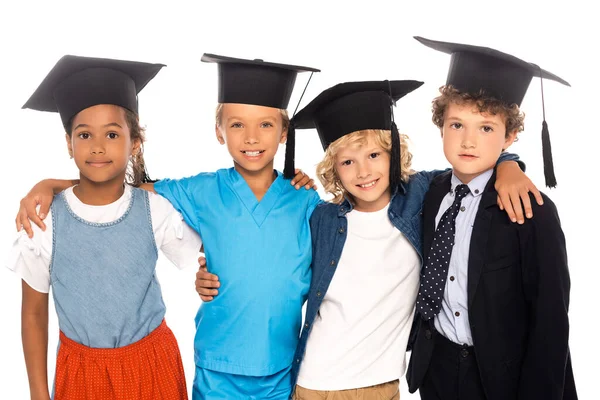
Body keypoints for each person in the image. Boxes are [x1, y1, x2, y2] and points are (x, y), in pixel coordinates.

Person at [196, 79, 539, 400]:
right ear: (334, 169)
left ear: (394, 153)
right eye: (348, 161)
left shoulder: (423, 197)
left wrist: (510, 165)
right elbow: (272, 256)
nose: (363, 172)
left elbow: (471, 166)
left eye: (374, 155)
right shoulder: (321, 218)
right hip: (311, 383)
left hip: (378, 385)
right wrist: (213, 272)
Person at [15, 54, 319, 400]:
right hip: (211, 367)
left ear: (284, 133)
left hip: (271, 367)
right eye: (237, 124)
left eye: (265, 124)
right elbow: (116, 188)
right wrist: (51, 184)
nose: (251, 137)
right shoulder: (200, 190)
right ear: (219, 131)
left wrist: (216, 268)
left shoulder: (305, 201)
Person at [9, 55, 203, 400]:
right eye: (84, 134)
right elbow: (33, 314)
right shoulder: (44, 222)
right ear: (69, 143)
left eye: (112, 134)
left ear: (135, 143)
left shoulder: (154, 210)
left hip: (152, 366)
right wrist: (39, 395)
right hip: (82, 374)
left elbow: (203, 252)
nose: (98, 146)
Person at [406, 36, 577, 400]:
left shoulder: (530, 210)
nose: (468, 141)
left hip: (504, 379)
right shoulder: (431, 192)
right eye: (456, 125)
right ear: (440, 126)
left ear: (510, 135)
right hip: (436, 369)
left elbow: (550, 320)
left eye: (486, 128)